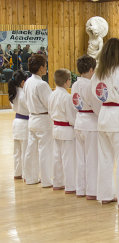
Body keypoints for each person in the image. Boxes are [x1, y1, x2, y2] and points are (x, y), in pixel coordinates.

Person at [91, 38, 119, 207]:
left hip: (103, 115)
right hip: (117, 116)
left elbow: (95, 96)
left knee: (105, 158)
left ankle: (105, 194)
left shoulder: (98, 72)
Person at [71, 55, 101, 200]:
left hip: (79, 121)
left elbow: (74, 103)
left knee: (81, 158)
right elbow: (97, 106)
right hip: (90, 123)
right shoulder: (90, 85)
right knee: (92, 158)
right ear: (91, 69)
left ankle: (81, 189)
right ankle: (92, 191)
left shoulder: (75, 85)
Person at [23, 54, 53, 187]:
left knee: (31, 150)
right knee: (45, 150)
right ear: (41, 68)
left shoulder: (28, 81)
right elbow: (49, 104)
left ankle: (30, 177)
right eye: (45, 66)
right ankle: (46, 180)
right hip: (42, 118)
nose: (46, 68)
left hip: (32, 118)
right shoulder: (41, 84)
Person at [49, 69, 76, 193]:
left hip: (55, 128)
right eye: (70, 79)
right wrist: (76, 123)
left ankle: (58, 182)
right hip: (66, 129)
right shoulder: (67, 97)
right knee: (68, 158)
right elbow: (71, 117)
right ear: (66, 82)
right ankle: (70, 186)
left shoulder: (52, 94)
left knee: (56, 157)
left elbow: (50, 112)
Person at [8, 70, 29, 180]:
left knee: (17, 151)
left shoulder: (13, 93)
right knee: (25, 151)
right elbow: (29, 108)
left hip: (16, 122)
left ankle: (17, 173)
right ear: (22, 82)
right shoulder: (23, 94)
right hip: (25, 123)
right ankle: (26, 175)